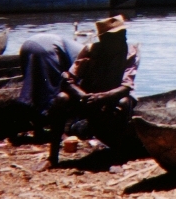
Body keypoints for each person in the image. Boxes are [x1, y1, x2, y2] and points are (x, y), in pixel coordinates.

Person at [40, 15, 140, 169]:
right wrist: (82, 95)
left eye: (123, 34)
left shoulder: (130, 53)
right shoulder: (90, 51)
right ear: (104, 39)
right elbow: (68, 79)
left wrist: (103, 97)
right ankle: (52, 158)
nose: (122, 38)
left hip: (113, 96)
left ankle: (117, 158)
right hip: (88, 96)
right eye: (117, 36)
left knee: (124, 102)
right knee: (61, 99)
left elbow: (126, 86)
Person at [18, 33, 86, 134]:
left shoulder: (79, 48)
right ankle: (48, 127)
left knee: (31, 89)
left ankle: (33, 126)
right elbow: (72, 81)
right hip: (47, 49)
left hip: (27, 45)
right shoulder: (86, 55)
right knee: (51, 92)